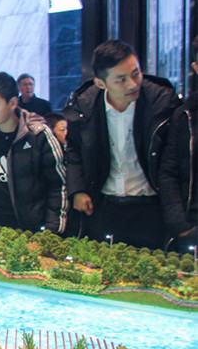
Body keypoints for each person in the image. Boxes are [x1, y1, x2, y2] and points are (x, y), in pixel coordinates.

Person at [63, 40, 180, 249]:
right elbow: (74, 151)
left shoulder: (161, 102)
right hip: (103, 206)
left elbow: (175, 159)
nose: (133, 84)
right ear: (101, 83)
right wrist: (77, 190)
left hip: (150, 207)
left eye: (136, 74)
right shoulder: (84, 107)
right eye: (121, 80)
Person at [0, 72, 66, 233]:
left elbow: (58, 186)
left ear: (12, 103)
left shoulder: (38, 134)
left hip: (32, 229)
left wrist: (50, 232)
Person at [158, 35, 197, 254]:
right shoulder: (184, 115)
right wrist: (181, 225)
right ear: (195, 67)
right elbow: (168, 172)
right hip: (192, 226)